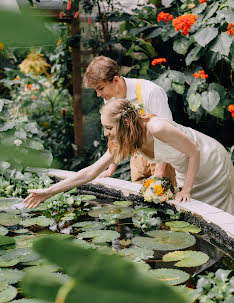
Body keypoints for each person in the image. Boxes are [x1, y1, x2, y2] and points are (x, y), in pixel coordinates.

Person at [24, 99, 234, 215]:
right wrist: (49, 192)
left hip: (208, 162)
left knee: (215, 213)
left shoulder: (157, 127)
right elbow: (90, 172)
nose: (106, 133)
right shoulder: (123, 139)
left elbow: (194, 151)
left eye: (108, 128)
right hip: (185, 167)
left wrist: (186, 189)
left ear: (124, 123)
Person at [83, 56, 176, 185]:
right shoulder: (110, 98)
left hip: (162, 161)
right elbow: (115, 135)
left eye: (100, 88)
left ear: (115, 79)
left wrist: (159, 175)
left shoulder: (151, 92)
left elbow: (168, 136)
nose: (98, 94)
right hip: (137, 160)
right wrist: (111, 168)